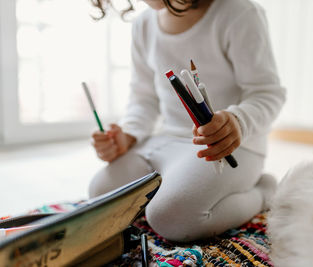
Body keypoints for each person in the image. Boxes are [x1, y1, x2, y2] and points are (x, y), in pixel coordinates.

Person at [88, 0, 286, 242]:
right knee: (99, 195)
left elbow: (267, 93)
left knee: (170, 218)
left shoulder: (239, 12)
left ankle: (263, 191)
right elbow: (144, 98)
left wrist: (237, 121)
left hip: (229, 147)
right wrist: (128, 134)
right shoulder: (143, 24)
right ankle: (171, 185)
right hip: (166, 140)